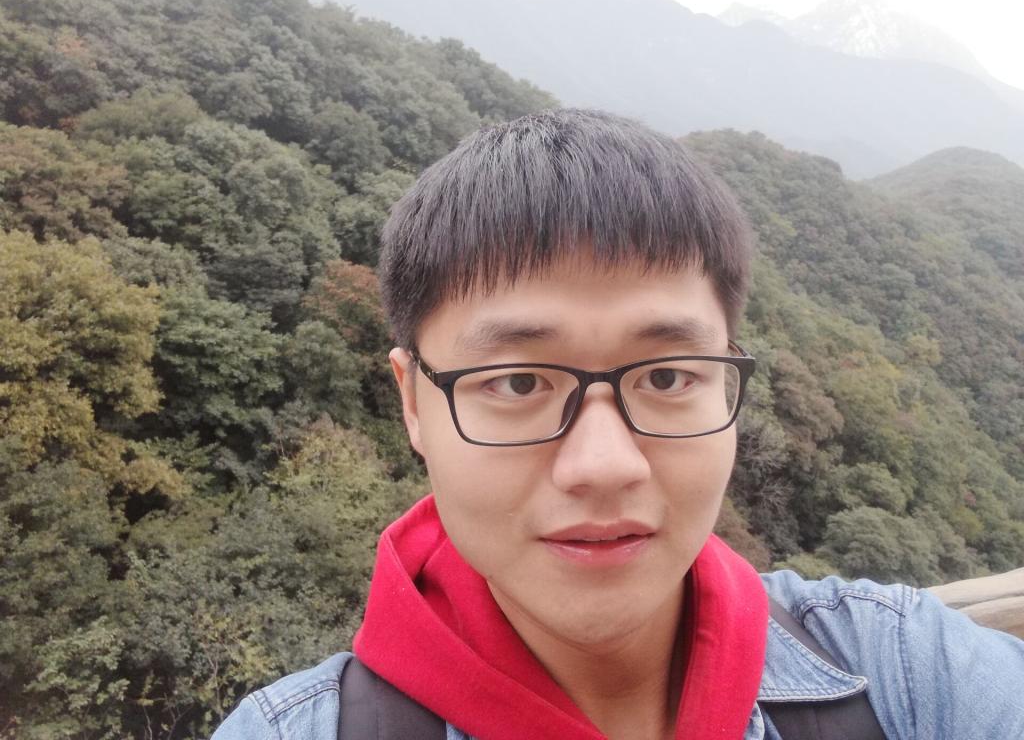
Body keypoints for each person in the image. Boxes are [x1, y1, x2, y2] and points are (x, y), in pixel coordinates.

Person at [212, 109, 1024, 740]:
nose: (604, 465)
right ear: (414, 403)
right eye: (518, 381)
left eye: (667, 376)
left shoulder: (905, 673)